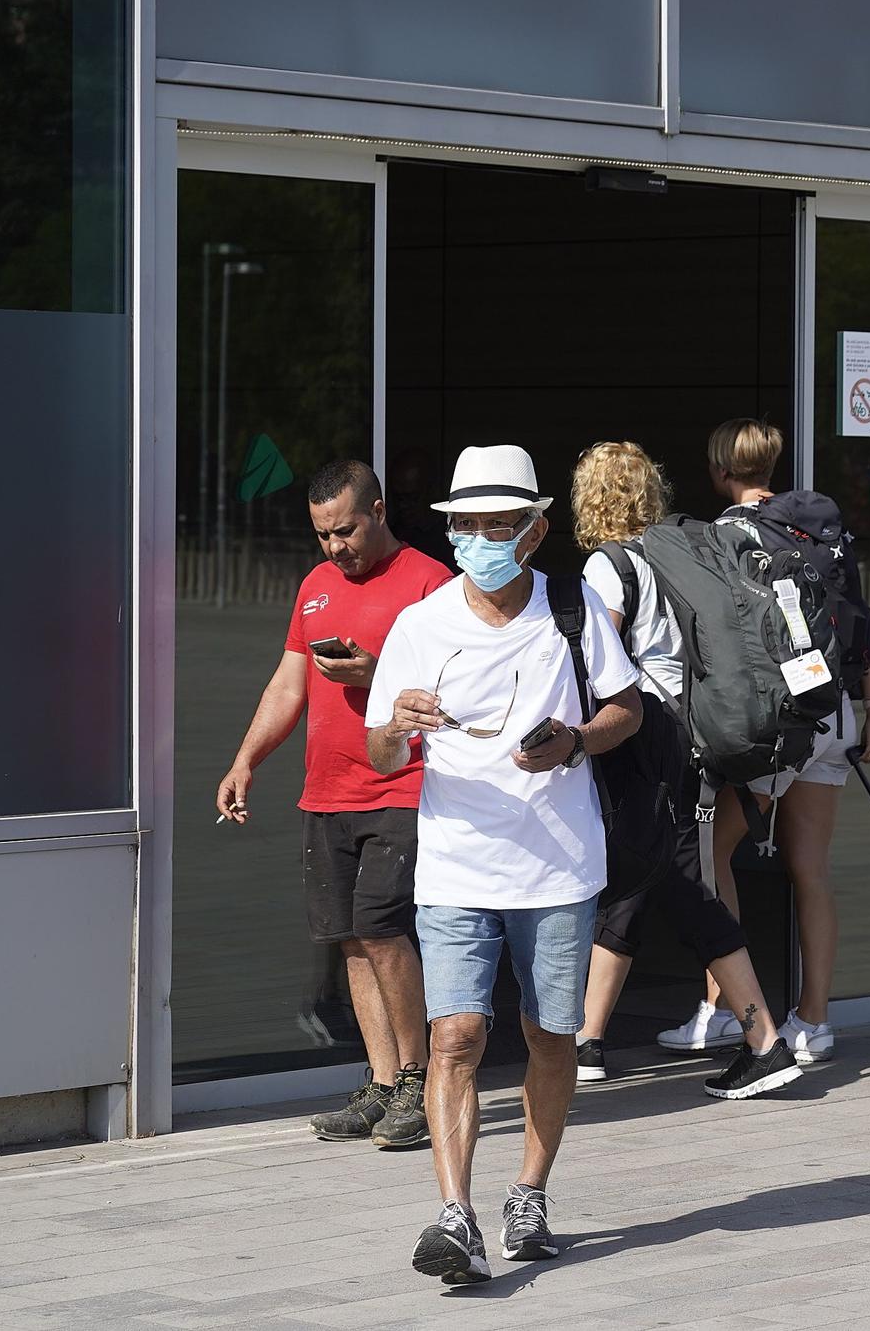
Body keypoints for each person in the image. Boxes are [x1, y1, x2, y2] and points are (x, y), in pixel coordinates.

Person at [365, 444, 643, 1285]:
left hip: (558, 867)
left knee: (548, 1036)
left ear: (534, 529)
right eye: (469, 525)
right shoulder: (420, 625)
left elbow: (626, 710)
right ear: (452, 531)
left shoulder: (572, 608)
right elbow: (379, 754)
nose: (483, 538)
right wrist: (397, 727)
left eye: (500, 524)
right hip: (455, 865)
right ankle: (454, 1215)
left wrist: (573, 745)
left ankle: (530, 1191)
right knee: (456, 1035)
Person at [216, 459, 451, 1148]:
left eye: (344, 531)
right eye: (322, 535)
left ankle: (418, 1079)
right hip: (327, 792)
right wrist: (245, 760)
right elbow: (289, 684)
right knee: (350, 939)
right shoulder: (316, 586)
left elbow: (453, 695)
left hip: (402, 788)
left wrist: (377, 674)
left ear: (378, 511)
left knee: (382, 929)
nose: (334, 548)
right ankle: (382, 1084)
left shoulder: (430, 584)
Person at [568, 441, 803, 1098]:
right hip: (685, 734)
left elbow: (602, 669)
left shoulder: (609, 567)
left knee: (687, 889)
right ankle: (586, 1041)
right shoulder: (677, 554)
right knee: (639, 881)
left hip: (644, 739)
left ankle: (764, 1041)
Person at [654, 419, 870, 1063]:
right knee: (811, 869)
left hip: (777, 725)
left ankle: (726, 1007)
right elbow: (856, 618)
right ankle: (814, 1020)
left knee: (713, 857)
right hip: (831, 713)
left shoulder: (729, 534)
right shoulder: (819, 528)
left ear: (719, 467)